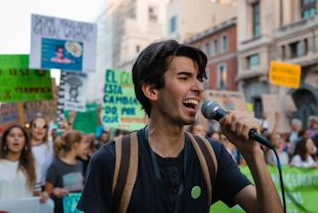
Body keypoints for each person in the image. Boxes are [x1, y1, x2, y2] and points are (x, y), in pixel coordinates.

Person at [77, 40, 282, 212]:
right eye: (184, 78)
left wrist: (252, 152)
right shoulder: (111, 160)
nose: (199, 88)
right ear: (151, 90)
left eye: (199, 79)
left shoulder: (212, 155)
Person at [0, 125, 48, 203]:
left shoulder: (33, 165)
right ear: (5, 141)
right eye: (12, 135)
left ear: (25, 142)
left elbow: (36, 193)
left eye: (20, 136)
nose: (16, 138)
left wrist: (43, 195)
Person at [45, 130, 89, 213]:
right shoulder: (56, 166)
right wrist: (54, 191)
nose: (87, 146)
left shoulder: (80, 164)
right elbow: (46, 194)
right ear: (76, 145)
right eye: (84, 143)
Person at [29, 114, 54, 190]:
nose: (40, 129)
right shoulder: (23, 148)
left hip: (46, 189)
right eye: (36, 126)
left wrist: (69, 123)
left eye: (44, 126)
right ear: (30, 128)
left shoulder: (51, 147)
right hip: (27, 188)